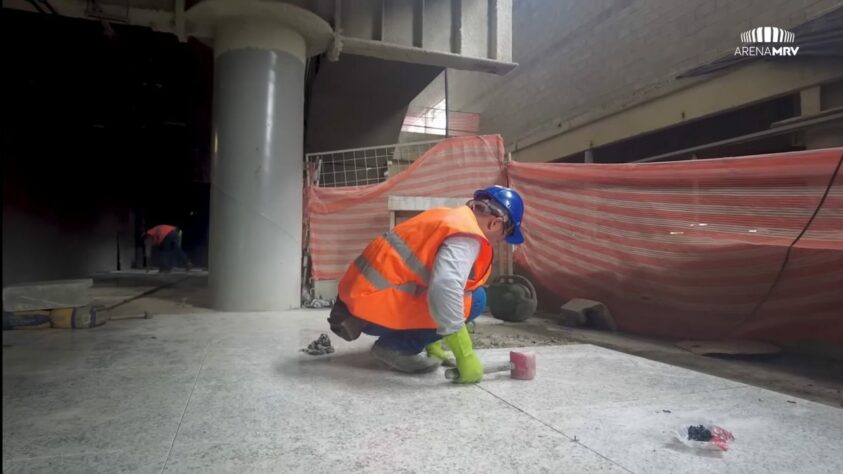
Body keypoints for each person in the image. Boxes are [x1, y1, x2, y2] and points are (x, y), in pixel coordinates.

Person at [327, 185, 525, 383]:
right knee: (475, 300)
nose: (499, 241)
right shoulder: (466, 236)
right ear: (495, 223)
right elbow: (445, 287)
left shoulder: (447, 217)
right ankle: (395, 349)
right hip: (371, 311)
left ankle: (414, 340)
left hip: (357, 303)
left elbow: (423, 276)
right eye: (503, 236)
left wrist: (431, 340)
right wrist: (465, 355)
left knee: (465, 293)